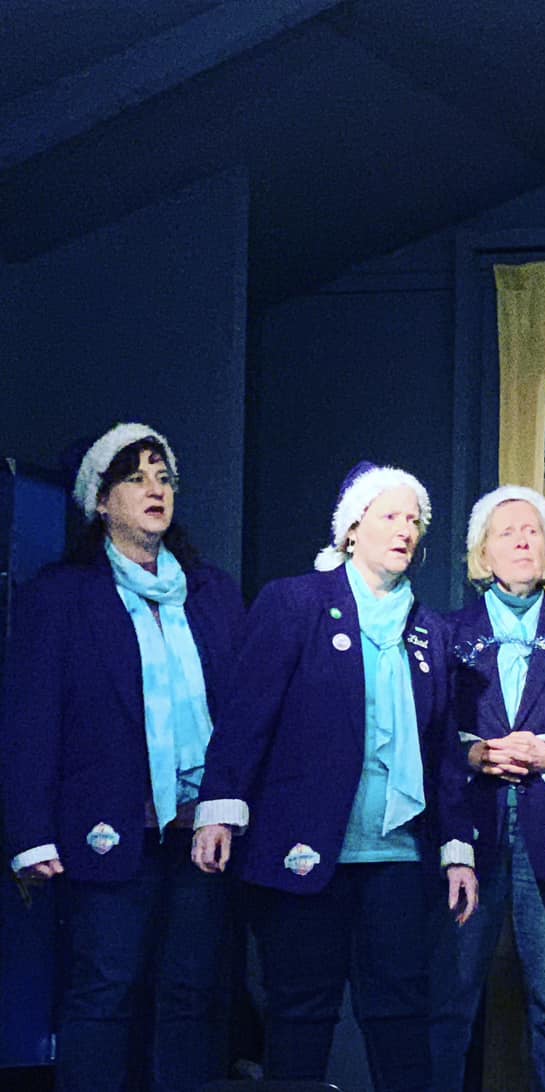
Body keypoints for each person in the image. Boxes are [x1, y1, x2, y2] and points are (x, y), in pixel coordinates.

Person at [191, 462, 473, 1092]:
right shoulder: (296, 603)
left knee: (401, 1015)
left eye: (414, 521)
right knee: (300, 1012)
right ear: (352, 529)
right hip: (306, 846)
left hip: (398, 856)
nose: (405, 530)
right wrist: (219, 805)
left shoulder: (431, 631)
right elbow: (246, 715)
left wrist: (458, 851)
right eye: (390, 516)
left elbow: (444, 755)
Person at [2, 424, 246, 1092]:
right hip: (107, 823)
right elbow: (30, 722)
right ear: (101, 500)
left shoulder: (212, 592)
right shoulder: (61, 596)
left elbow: (243, 715)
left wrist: (229, 803)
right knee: (103, 992)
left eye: (163, 476)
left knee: (191, 994)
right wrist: (28, 833)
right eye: (135, 477)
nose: (155, 489)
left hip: (200, 830)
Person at [429, 486, 545, 1092]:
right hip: (466, 832)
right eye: (507, 532)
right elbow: (423, 738)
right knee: (451, 1000)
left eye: (532, 531)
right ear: (483, 553)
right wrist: (473, 753)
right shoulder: (442, 634)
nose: (522, 540)